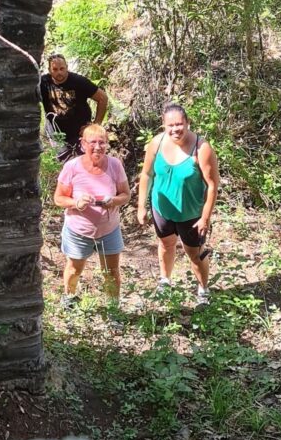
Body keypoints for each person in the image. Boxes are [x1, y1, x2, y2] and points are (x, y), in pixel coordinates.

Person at [137, 103, 219, 305]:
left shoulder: (202, 148)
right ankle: (165, 280)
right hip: (162, 208)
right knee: (166, 243)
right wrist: (141, 206)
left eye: (180, 124)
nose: (176, 129)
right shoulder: (156, 143)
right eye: (170, 125)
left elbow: (212, 185)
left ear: (188, 123)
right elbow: (146, 174)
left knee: (194, 253)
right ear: (164, 125)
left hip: (191, 213)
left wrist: (205, 218)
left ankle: (203, 291)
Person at [54, 123, 130, 308]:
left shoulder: (114, 164)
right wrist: (76, 203)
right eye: (92, 142)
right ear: (82, 144)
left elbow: (126, 195)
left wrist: (112, 200)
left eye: (102, 142)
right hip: (78, 230)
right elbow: (58, 198)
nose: (97, 147)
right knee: (74, 269)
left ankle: (113, 308)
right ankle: (69, 300)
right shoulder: (72, 167)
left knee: (111, 271)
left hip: (108, 229)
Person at [39, 54, 108, 160]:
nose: (59, 72)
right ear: (49, 70)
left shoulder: (78, 81)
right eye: (55, 69)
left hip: (80, 130)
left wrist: (96, 125)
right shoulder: (43, 83)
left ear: (67, 67)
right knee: (66, 163)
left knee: (86, 161)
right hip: (57, 133)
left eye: (62, 68)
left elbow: (102, 98)